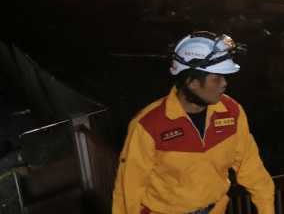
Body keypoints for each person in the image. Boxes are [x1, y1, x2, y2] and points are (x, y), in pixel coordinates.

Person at [113, 32, 274, 214]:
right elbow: (128, 189)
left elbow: (252, 168)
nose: (224, 84)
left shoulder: (232, 112)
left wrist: (267, 210)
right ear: (192, 82)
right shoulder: (148, 124)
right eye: (217, 78)